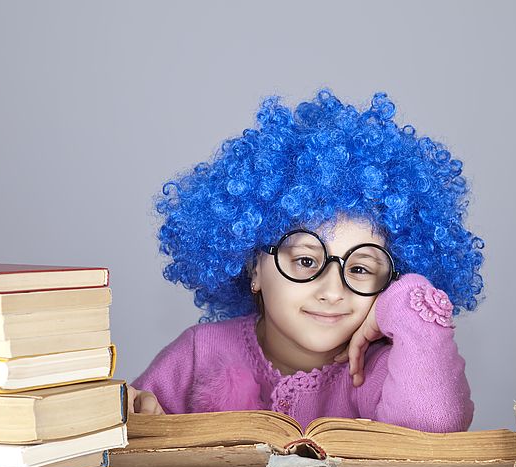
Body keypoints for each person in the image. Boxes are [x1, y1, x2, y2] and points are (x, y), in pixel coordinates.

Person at [128, 89, 484, 434]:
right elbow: (129, 428)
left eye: (360, 269)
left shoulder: (380, 368)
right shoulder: (198, 353)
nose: (332, 291)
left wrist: (406, 301)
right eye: (304, 261)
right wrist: (133, 413)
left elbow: (433, 426)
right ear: (254, 267)